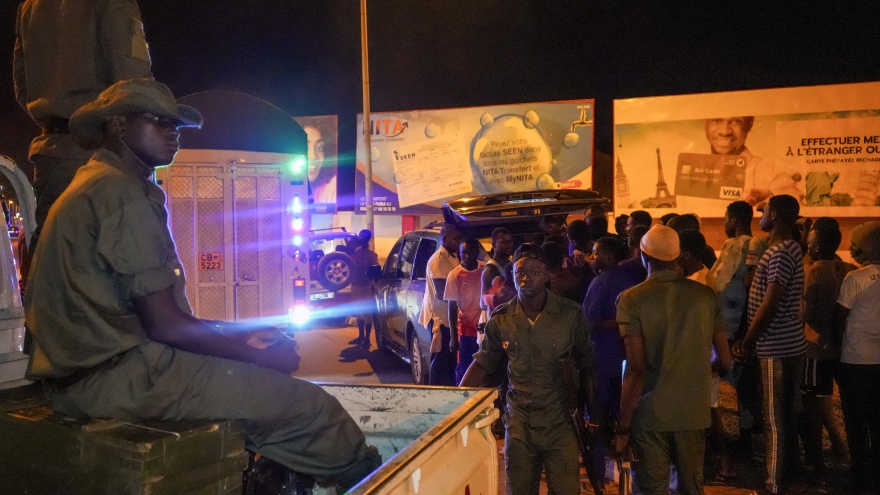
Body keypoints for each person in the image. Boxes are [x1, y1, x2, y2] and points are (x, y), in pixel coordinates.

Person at [23, 79, 381, 490]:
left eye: (176, 125)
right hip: (113, 378)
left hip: (101, 369)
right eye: (159, 121)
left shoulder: (102, 182)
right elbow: (166, 326)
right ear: (118, 124)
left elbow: (152, 319)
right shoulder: (117, 192)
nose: (172, 133)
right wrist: (259, 356)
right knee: (313, 411)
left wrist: (241, 333)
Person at [14, 0, 154, 257]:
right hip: (102, 156)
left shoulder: (31, 7)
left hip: (51, 156)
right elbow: (134, 86)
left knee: (53, 263)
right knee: (127, 263)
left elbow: (23, 87)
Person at [460, 244, 598, 495]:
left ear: (546, 275)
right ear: (512, 276)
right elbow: (483, 363)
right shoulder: (502, 319)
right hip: (519, 425)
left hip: (561, 423)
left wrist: (593, 419)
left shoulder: (570, 315)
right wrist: (455, 405)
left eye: (534, 272)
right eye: (520, 272)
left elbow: (588, 367)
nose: (526, 278)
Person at [614, 225, 732, 495]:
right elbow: (725, 360)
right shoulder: (705, 296)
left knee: (651, 488)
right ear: (677, 256)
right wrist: (695, 371)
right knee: (690, 488)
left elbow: (636, 369)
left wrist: (622, 428)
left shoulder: (631, 299)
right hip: (693, 412)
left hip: (651, 415)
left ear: (643, 255)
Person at [733, 194, 807, 495]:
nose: (760, 216)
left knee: (773, 420)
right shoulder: (786, 249)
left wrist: (748, 340)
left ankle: (772, 483)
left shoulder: (780, 252)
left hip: (776, 346)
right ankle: (789, 477)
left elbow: (772, 301)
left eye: (763, 211)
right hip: (787, 343)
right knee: (785, 417)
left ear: (774, 215)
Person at [582, 236, 643, 492]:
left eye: (596, 253)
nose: (592, 258)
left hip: (602, 360)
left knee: (596, 421)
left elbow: (587, 321)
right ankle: (632, 477)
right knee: (627, 418)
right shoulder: (635, 279)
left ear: (607, 257)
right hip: (630, 361)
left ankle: (598, 478)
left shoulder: (601, 282)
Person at [800, 218, 854, 483]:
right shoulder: (847, 269)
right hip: (841, 349)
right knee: (837, 404)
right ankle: (847, 453)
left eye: (810, 241)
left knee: (811, 406)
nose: (807, 245)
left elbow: (804, 313)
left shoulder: (813, 272)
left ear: (817, 246)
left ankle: (817, 463)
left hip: (814, 349)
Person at [679, 228, 736, 479]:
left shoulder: (696, 282)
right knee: (706, 411)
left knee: (707, 412)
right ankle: (716, 460)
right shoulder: (702, 274)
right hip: (705, 353)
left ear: (686, 254)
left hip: (702, 355)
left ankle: (725, 460)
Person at [706, 200, 757, 456]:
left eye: (726, 219)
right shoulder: (758, 245)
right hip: (747, 325)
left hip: (728, 328)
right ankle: (747, 436)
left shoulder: (735, 245)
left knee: (716, 383)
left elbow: (718, 285)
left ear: (734, 220)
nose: (725, 224)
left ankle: (724, 444)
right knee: (745, 388)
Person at [833, 221, 880, 493]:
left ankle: (861, 480)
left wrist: (835, 353)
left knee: (856, 424)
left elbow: (840, 319)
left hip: (855, 360)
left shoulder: (855, 278)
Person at [704, 117, 801, 206]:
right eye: (717, 121)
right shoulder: (697, 171)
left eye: (736, 121)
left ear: (750, 123)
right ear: (705, 123)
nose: (725, 132)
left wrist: (769, 195)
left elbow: (797, 205)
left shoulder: (771, 172)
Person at [420, 223, 462, 386]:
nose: (458, 241)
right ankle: (436, 391)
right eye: (455, 238)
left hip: (450, 316)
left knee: (449, 359)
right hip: (441, 317)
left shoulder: (453, 256)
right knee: (440, 359)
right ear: (444, 238)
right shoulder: (438, 260)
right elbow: (443, 293)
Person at [444, 238, 484, 385]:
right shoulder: (454, 275)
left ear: (477, 252)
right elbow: (452, 307)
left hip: (484, 330)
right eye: (463, 253)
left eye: (470, 252)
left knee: (484, 368)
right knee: (464, 369)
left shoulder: (485, 270)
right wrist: (453, 337)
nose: (466, 256)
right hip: (466, 332)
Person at [349, 229, 378, 348]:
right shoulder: (358, 252)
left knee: (366, 313)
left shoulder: (371, 255)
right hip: (358, 284)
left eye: (362, 237)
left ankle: (366, 339)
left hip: (365, 285)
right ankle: (362, 337)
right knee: (360, 312)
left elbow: (374, 271)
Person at [301, 119, 337, 205]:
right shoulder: (278, 186)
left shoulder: (333, 186)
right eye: (305, 147)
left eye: (320, 148)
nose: (313, 156)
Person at [482, 227, 514, 313]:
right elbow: (482, 303)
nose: (508, 244)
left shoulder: (512, 264)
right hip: (498, 318)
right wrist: (497, 297)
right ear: (493, 244)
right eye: (503, 242)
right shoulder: (490, 269)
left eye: (510, 241)